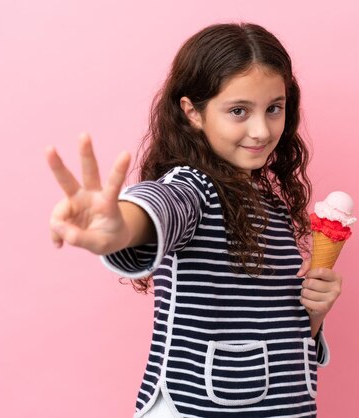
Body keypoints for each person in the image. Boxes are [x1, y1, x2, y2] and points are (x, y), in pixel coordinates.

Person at [46, 22, 343, 418]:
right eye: (238, 110)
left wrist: (314, 314)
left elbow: (267, 327)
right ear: (193, 113)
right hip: (196, 407)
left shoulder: (270, 204)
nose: (261, 129)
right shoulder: (195, 187)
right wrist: (120, 225)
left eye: (274, 108)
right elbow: (162, 205)